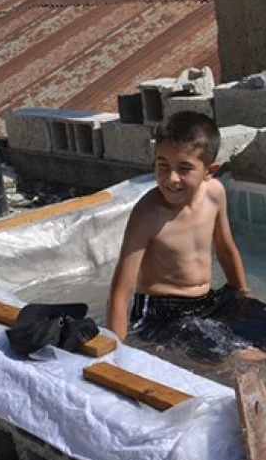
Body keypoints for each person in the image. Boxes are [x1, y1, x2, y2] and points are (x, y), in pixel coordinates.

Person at [106, 111, 253, 344]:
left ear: (209, 171)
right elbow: (121, 290)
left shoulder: (215, 193)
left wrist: (243, 296)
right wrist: (117, 352)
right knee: (242, 359)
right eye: (162, 165)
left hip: (206, 301)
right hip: (161, 312)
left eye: (184, 168)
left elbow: (226, 249)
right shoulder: (148, 213)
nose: (172, 178)